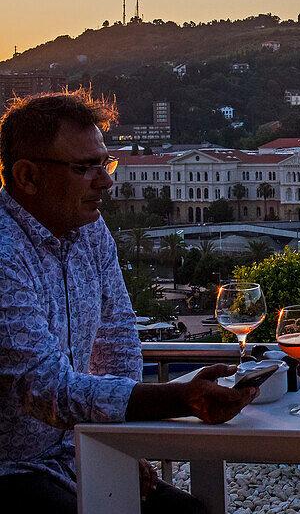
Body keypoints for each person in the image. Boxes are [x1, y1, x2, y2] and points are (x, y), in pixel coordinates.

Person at [0, 91, 258, 513]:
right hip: (14, 470)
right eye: (85, 168)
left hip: (76, 450)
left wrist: (123, 444)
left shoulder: (89, 226)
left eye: (106, 164)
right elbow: (44, 389)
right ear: (27, 176)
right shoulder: (5, 253)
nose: (106, 181)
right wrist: (179, 398)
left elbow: (116, 334)